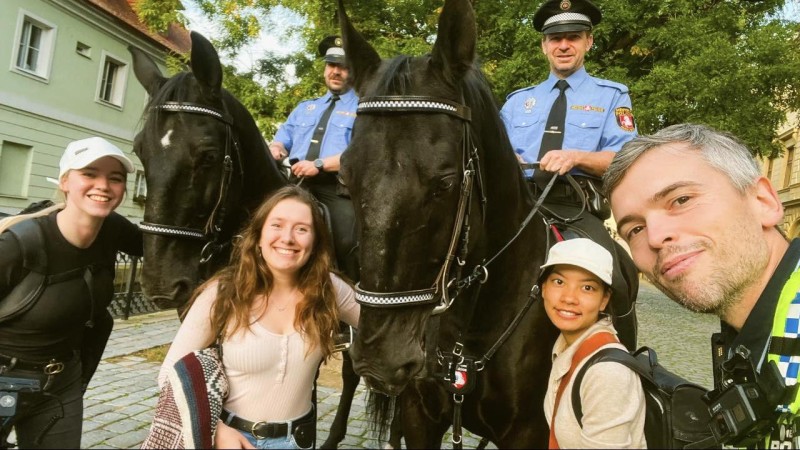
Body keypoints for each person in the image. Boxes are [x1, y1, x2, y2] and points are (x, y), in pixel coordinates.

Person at [604, 123, 796, 447]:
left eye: (681, 200)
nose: (654, 237)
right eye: (634, 230)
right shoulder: (747, 341)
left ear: (763, 201)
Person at [158, 185, 360, 449]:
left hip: (298, 442)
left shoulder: (328, 288)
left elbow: (382, 323)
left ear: (315, 241)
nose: (288, 238)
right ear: (259, 235)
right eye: (277, 225)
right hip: (231, 441)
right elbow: (168, 376)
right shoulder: (223, 292)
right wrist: (215, 430)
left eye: (302, 229)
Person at [500, 0, 639, 349]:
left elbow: (626, 156)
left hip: (574, 208)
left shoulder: (612, 95)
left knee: (617, 276)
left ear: (588, 42)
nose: (564, 45)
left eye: (573, 37)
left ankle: (622, 357)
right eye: (555, 38)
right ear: (544, 45)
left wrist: (577, 156)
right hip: (518, 206)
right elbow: (493, 152)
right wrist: (508, 159)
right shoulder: (518, 101)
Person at [0, 136, 142, 449]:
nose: (103, 185)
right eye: (89, 174)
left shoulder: (114, 229)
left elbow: (167, 246)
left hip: (60, 385)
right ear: (65, 181)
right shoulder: (20, 244)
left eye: (115, 178)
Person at [540, 238, 646, 448]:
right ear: (543, 288)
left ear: (604, 300)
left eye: (587, 287)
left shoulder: (607, 373)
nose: (569, 298)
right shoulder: (567, 346)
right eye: (559, 282)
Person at [268, 35, 358, 278]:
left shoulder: (363, 108)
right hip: (292, 182)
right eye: (331, 65)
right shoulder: (305, 107)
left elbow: (360, 153)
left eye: (343, 66)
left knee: (348, 240)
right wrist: (276, 148)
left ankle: (352, 291)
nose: (335, 72)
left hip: (335, 187)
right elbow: (282, 138)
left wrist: (319, 164)